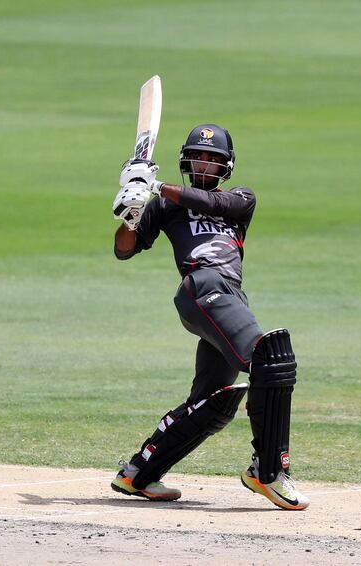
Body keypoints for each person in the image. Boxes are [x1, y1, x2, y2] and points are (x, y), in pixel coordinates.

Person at [109, 124, 309, 510]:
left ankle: (139, 474)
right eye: (198, 157)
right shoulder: (165, 207)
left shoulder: (241, 199)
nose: (204, 163)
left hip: (231, 298)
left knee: (212, 401)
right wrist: (132, 212)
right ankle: (268, 473)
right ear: (187, 160)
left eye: (213, 159)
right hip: (201, 287)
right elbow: (123, 249)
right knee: (271, 359)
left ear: (226, 166)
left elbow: (214, 205)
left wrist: (158, 185)